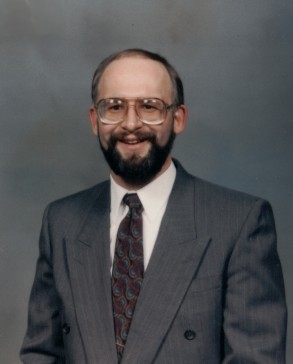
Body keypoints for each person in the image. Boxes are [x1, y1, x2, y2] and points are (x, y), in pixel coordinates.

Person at [20, 48, 287, 363]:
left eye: (150, 106)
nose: (131, 124)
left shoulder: (239, 222)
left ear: (178, 119)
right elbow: (42, 354)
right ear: (95, 120)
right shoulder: (61, 221)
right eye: (114, 106)